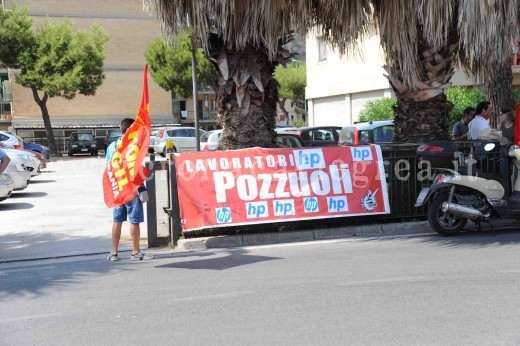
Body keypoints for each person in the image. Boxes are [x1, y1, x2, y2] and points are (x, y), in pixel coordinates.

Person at [106, 118, 153, 261]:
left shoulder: (112, 146)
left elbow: (109, 167)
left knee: (117, 220)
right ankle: (136, 252)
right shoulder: (133, 147)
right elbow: (136, 170)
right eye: (134, 130)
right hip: (132, 189)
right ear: (128, 131)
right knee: (134, 221)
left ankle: (113, 253)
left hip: (118, 189)